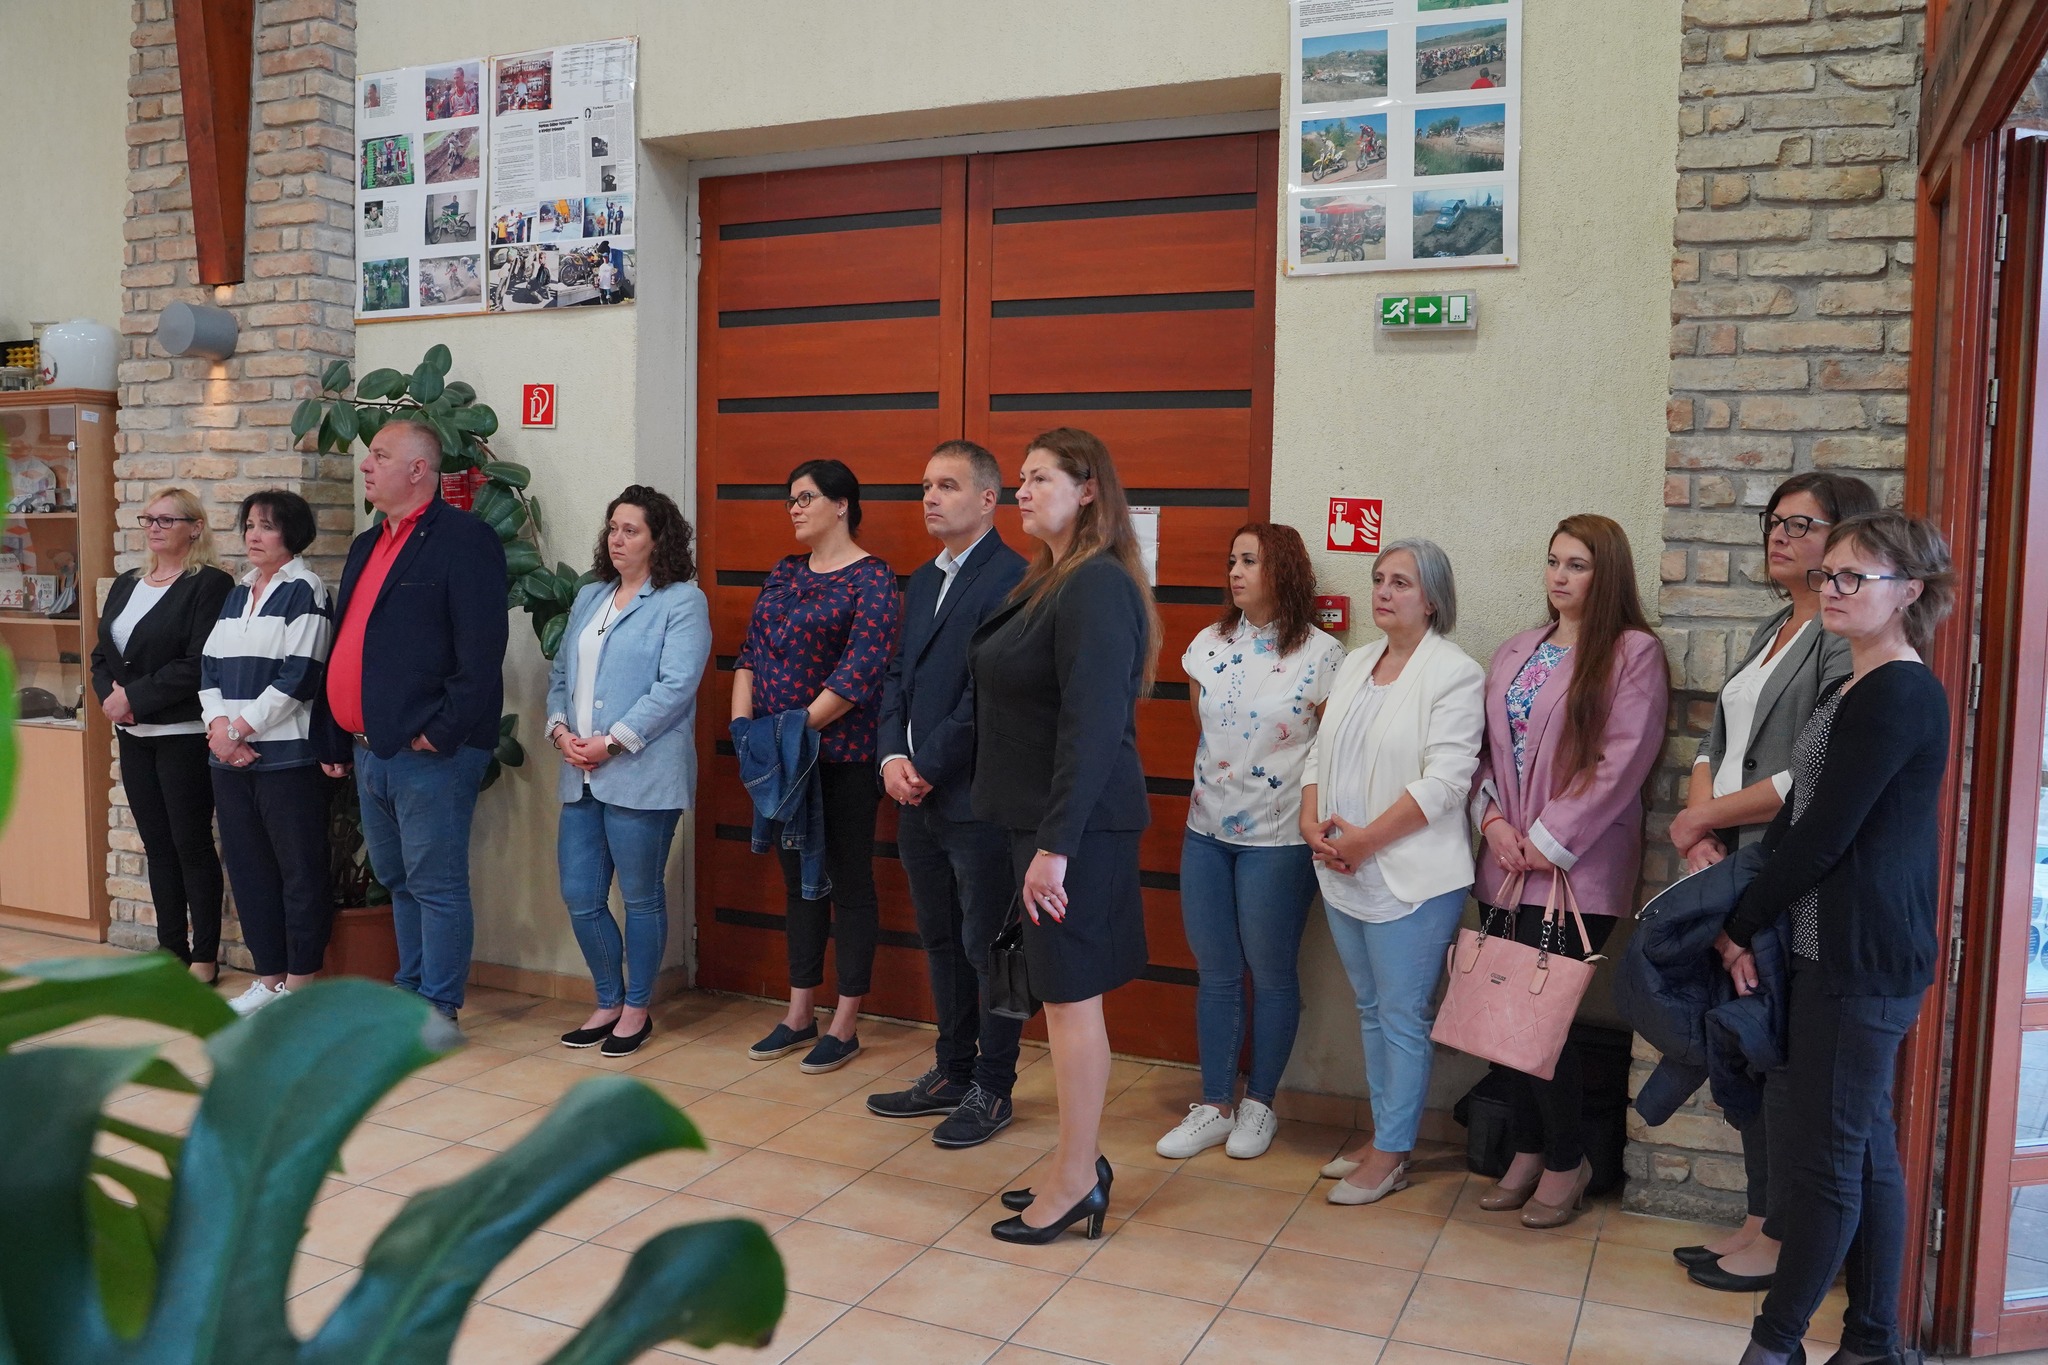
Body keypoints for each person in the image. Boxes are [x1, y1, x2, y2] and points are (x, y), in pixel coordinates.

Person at [1718, 512, 1954, 1365]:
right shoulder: (1848, 686)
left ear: (1910, 592)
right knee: (1864, 1150)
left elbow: (1825, 836)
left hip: (1865, 957)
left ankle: (1775, 1345)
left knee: (1826, 1164)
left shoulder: (1902, 692)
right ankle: (1873, 1342)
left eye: (1857, 576)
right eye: (1831, 574)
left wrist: (1740, 923)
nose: (1834, 588)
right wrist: (1741, 905)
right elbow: (1797, 817)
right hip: (1835, 951)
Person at [1665, 471, 1880, 1293]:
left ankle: (1783, 1236)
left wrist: (1706, 820)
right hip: (1730, 856)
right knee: (1745, 1048)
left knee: (1776, 1050)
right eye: (1775, 521)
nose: (1780, 536)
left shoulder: (1837, 638)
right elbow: (1713, 744)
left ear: (1846, 539)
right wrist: (1699, 825)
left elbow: (1805, 774)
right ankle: (1758, 1218)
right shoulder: (1772, 625)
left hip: (1781, 867)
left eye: (1802, 524)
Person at [971, 427, 1158, 1244]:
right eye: (1020, 477)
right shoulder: (1049, 579)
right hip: (1042, 825)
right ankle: (1075, 1165)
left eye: (1040, 477)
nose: (1022, 489)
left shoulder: (1096, 585)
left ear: (1088, 490)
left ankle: (1077, 1180)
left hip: (1073, 832)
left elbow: (1092, 726)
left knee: (1072, 1002)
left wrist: (1056, 847)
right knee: (1059, 1000)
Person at [1470, 513, 1669, 1228]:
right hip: (1504, 863)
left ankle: (1567, 1159)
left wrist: (1548, 839)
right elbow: (1483, 752)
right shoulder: (1518, 649)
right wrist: (1495, 824)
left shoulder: (1632, 653)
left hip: (1575, 870)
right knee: (1502, 1017)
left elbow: (1623, 759)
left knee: (1540, 1021)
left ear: (1606, 573)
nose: (1559, 575)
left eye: (1577, 564)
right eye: (1554, 561)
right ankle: (1527, 1148)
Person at [1302, 539, 1485, 1205]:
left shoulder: (1455, 673)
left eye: (1401, 582)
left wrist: (1366, 841)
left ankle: (1394, 1153)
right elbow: (1319, 754)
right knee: (1371, 1008)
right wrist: (1310, 821)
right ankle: (1384, 1132)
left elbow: (1447, 783)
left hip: (1412, 877)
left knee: (1403, 1014)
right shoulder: (1356, 661)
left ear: (1432, 599)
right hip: (1342, 868)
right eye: (1379, 578)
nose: (1383, 590)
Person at [1157, 523, 1344, 1163]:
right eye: (1232, 560)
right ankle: (1214, 1104)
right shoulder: (1208, 645)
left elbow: (1326, 756)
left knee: (1271, 972)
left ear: (1282, 571)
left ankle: (1260, 1102)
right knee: (1215, 972)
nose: (1235, 572)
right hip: (1206, 832)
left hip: (1279, 839)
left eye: (1250, 561)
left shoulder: (1323, 655)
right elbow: (1206, 729)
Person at [314, 420, 509, 1025]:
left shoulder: (465, 539)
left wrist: (439, 732)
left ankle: (438, 1007)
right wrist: (335, 733)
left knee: (436, 883)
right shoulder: (366, 544)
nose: (365, 465)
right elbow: (347, 643)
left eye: (379, 455)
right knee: (397, 878)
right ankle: (411, 991)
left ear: (419, 469)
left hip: (430, 751)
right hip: (369, 746)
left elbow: (481, 653)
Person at [867, 441, 1029, 1146]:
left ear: (989, 499)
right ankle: (953, 1070)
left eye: (948, 485)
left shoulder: (1013, 577)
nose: (931, 497)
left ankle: (994, 1086)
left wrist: (927, 763)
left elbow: (985, 694)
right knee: (940, 938)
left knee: (991, 946)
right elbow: (895, 675)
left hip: (980, 798)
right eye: (926, 485)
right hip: (917, 797)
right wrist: (891, 758)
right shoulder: (922, 577)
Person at [732, 459, 901, 1075]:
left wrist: (793, 730)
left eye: (805, 498)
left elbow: (860, 671)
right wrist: (745, 730)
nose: (795, 509)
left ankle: (845, 1023)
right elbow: (750, 655)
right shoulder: (784, 573)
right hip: (779, 759)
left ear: (842, 504)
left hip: (843, 758)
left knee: (848, 883)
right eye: (790, 500)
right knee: (797, 884)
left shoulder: (873, 578)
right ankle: (799, 1011)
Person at [545, 487, 710, 1058]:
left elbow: (676, 686)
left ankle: (637, 1008)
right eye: (613, 528)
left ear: (659, 539)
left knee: (640, 896)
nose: (617, 539)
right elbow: (561, 676)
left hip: (642, 773)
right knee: (580, 895)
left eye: (631, 530)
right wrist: (561, 732)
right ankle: (607, 1000)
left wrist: (611, 743)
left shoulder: (681, 602)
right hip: (580, 773)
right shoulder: (590, 596)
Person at [89, 487, 234, 981]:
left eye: (166, 520)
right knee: (157, 845)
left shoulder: (209, 584)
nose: (153, 527)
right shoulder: (127, 583)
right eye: (148, 518)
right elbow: (101, 656)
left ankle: (205, 956)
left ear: (195, 528)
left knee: (191, 845)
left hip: (182, 734)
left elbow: (198, 662)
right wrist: (111, 698)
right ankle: (171, 950)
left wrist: (133, 697)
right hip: (135, 736)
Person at [199, 491, 334, 1015]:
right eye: (249, 525)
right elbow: (209, 668)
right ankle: (269, 978)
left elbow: (299, 676)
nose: (253, 535)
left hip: (286, 760)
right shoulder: (237, 593)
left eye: (267, 526)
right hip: (229, 760)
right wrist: (220, 729)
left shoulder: (306, 589)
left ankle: (300, 985)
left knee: (299, 872)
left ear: (292, 535)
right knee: (249, 871)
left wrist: (238, 729)